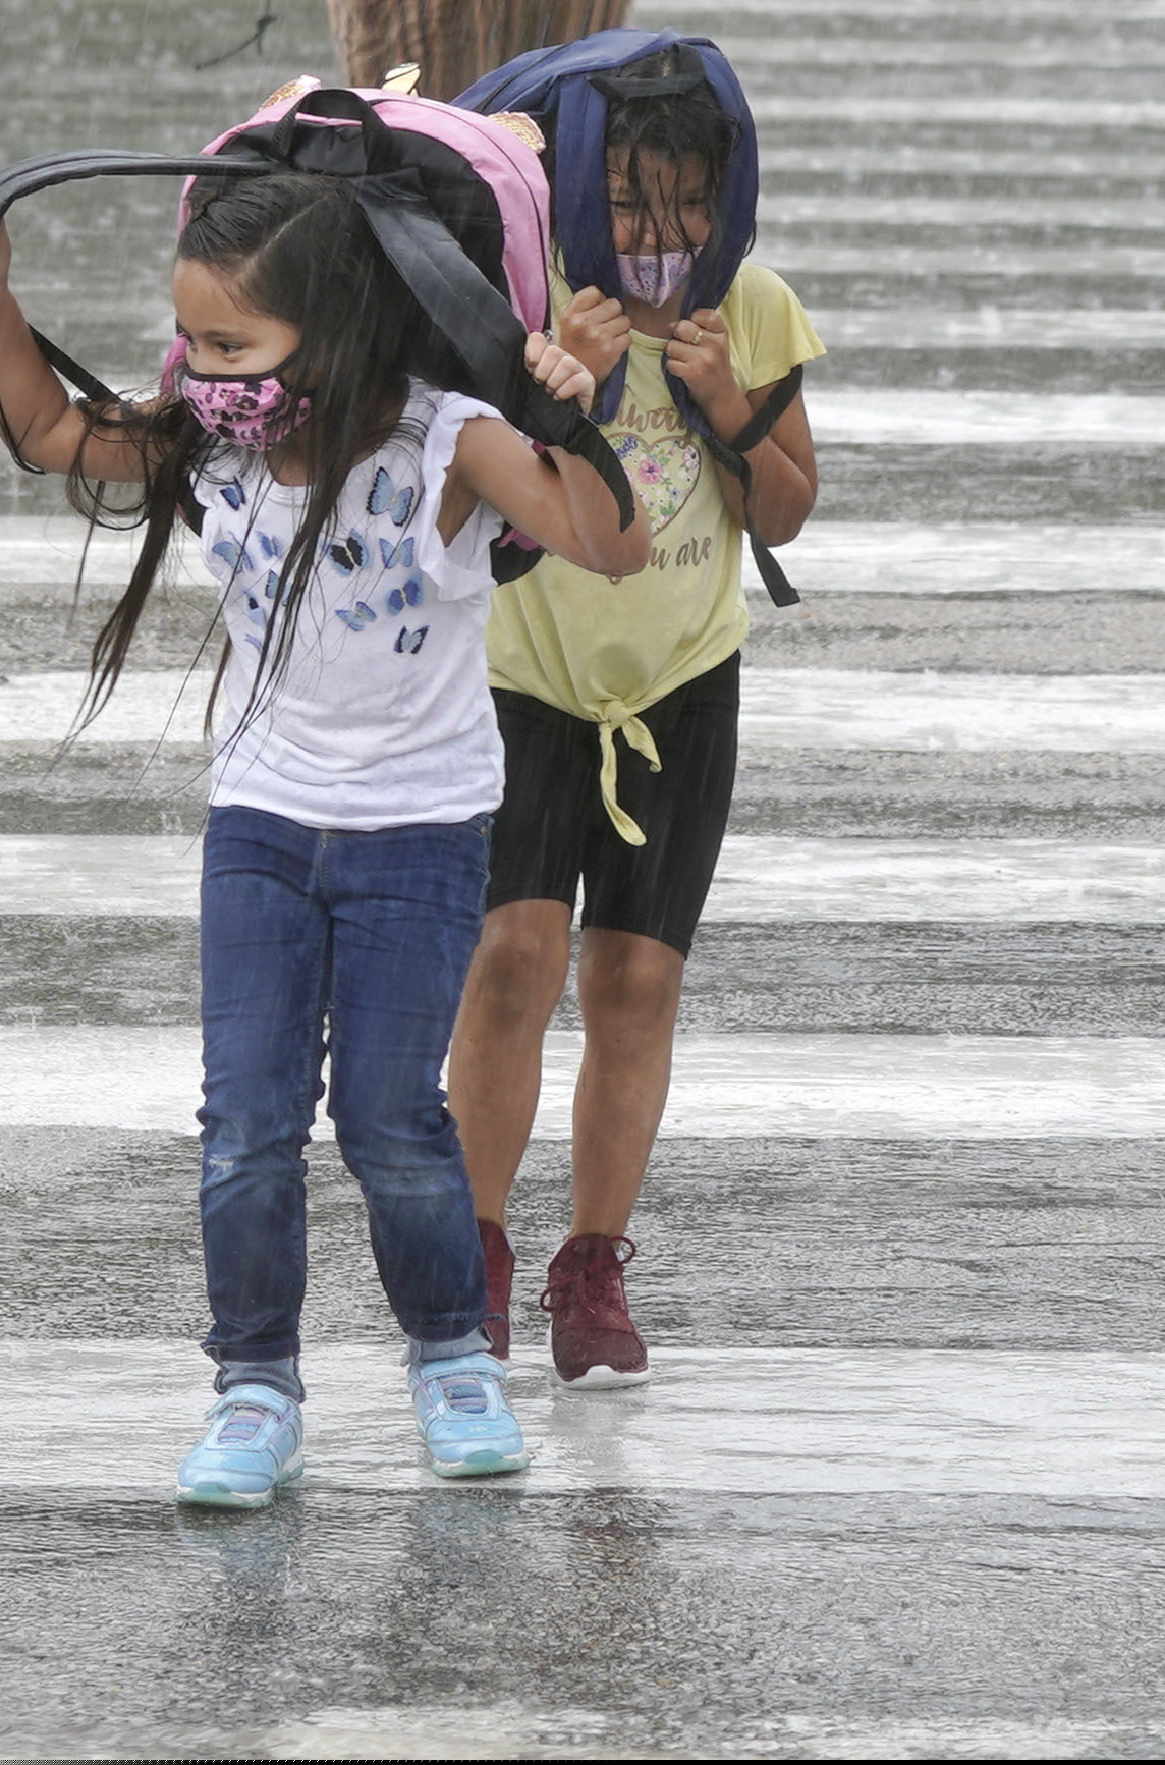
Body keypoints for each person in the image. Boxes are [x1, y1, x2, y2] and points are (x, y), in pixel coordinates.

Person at [0, 159, 646, 1508]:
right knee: (246, 1127)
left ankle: (450, 1361)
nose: (199, 373)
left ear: (338, 324)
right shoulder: (212, 440)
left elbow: (612, 547)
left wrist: (574, 418)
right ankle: (255, 1387)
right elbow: (44, 433)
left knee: (390, 1124)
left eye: (229, 346)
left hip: (421, 835)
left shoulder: (448, 442)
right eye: (191, 342)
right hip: (260, 824)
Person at [445, 45, 822, 1388]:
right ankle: (472, 1254)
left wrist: (727, 406)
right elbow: (466, 484)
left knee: (636, 980)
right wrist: (562, 382)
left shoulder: (752, 311)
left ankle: (592, 1262)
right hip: (525, 677)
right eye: (631, 202)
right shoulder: (530, 305)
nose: (661, 240)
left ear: (730, 199)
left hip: (682, 685)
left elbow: (785, 506)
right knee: (510, 962)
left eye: (688, 206)